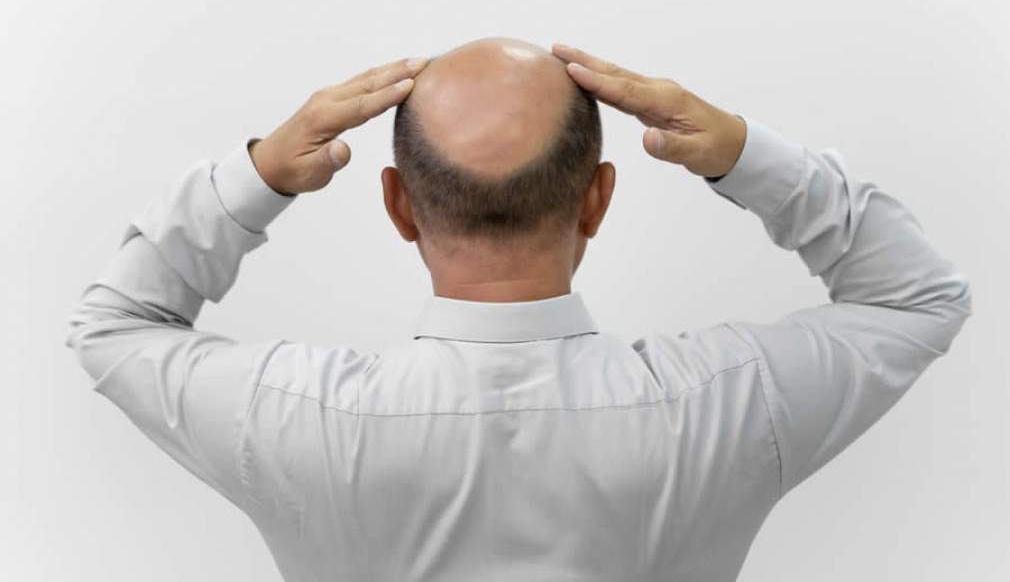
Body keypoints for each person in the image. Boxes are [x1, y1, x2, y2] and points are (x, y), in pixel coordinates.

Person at [66, 37, 973, 581]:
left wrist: (259, 173)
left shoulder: (295, 417)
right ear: (598, 199)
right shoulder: (728, 402)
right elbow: (918, 296)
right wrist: (738, 150)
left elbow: (112, 325)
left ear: (398, 205)